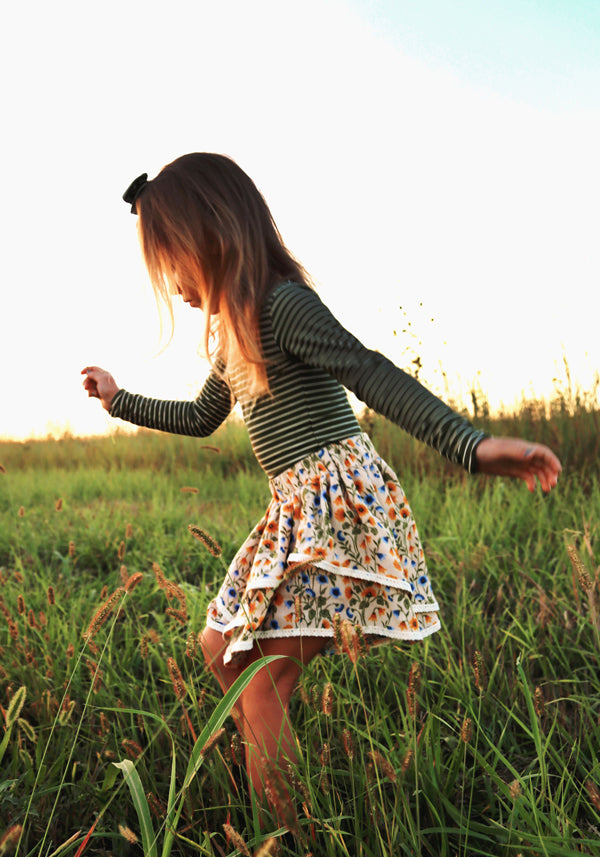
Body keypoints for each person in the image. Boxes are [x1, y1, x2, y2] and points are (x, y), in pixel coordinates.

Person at [82, 152, 561, 799]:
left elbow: (369, 371)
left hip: (336, 503)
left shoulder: (283, 306)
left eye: (172, 263)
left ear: (210, 238)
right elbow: (201, 416)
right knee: (221, 650)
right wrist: (117, 400)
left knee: (263, 681)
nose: (170, 284)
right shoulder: (230, 332)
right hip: (293, 507)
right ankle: (281, 806)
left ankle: (283, 850)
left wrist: (470, 446)